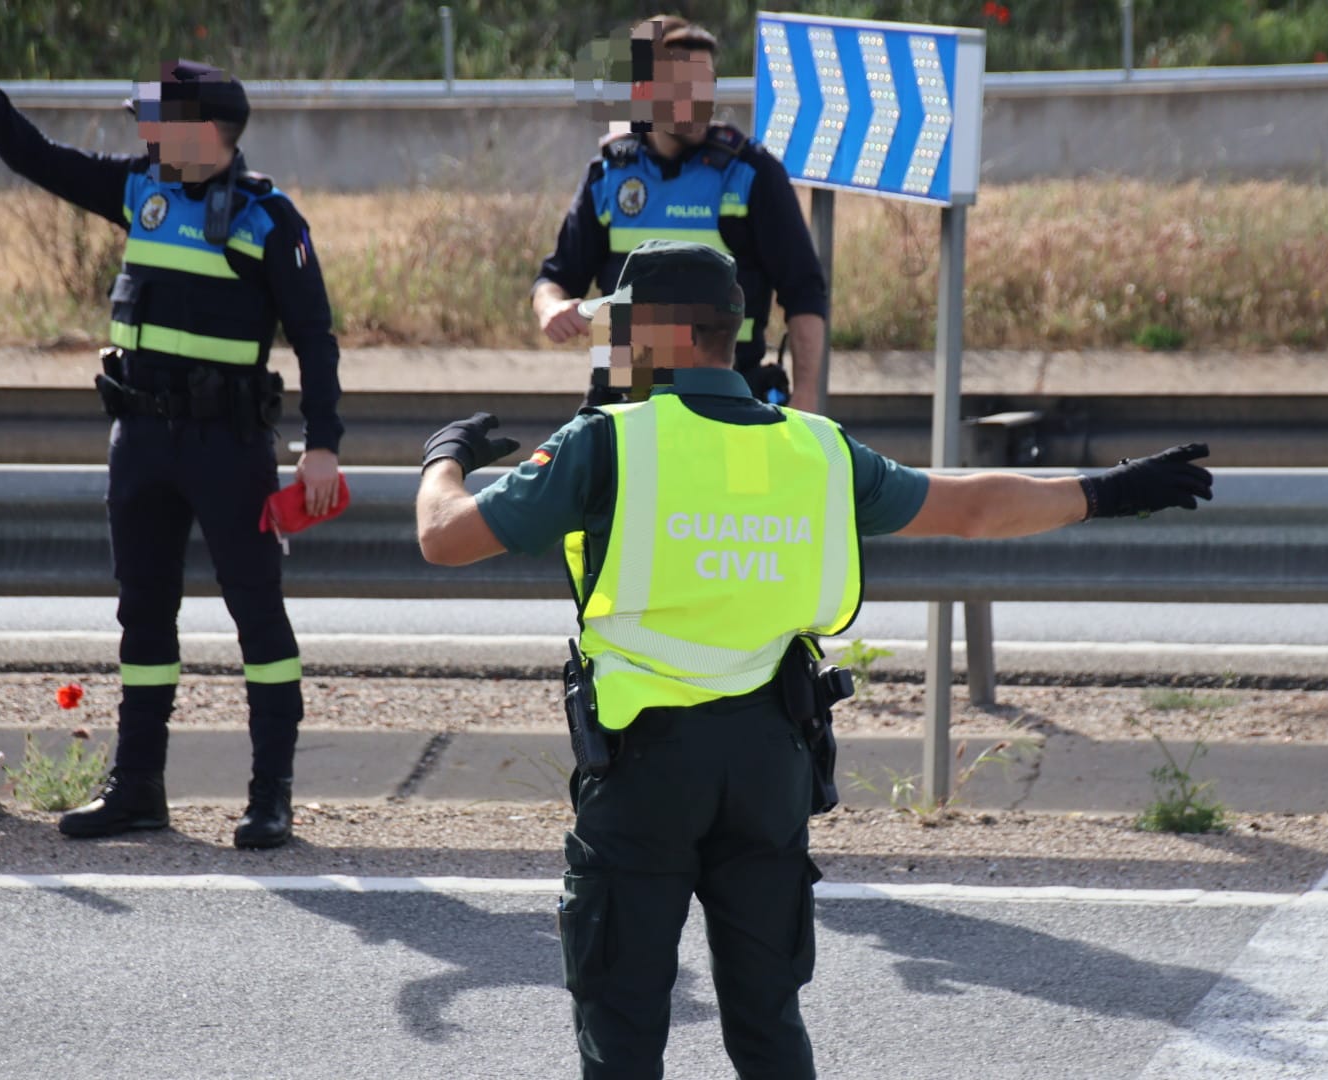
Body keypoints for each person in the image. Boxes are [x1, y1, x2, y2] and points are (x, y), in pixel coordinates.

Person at [417, 239, 1214, 1079]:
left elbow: (444, 538)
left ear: (662, 335)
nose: (613, 350)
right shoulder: (818, 450)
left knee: (622, 1023)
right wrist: (1110, 490)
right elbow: (973, 508)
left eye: (622, 330)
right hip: (772, 762)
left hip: (643, 768)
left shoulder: (604, 442)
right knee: (767, 1023)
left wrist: (445, 457)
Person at [0, 0, 345, 849]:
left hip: (229, 447)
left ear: (207, 130)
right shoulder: (138, 191)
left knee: (258, 619)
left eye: (158, 122)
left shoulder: (270, 219)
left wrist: (323, 445)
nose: (144, 135)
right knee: (143, 621)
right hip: (140, 443)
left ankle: (271, 797)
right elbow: (28, 154)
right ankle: (139, 789)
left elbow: (317, 339)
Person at [533, 15, 829, 411]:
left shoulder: (750, 174)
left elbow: (804, 291)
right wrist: (551, 308)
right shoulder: (610, 174)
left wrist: (807, 398)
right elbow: (555, 279)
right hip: (626, 395)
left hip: (727, 395)